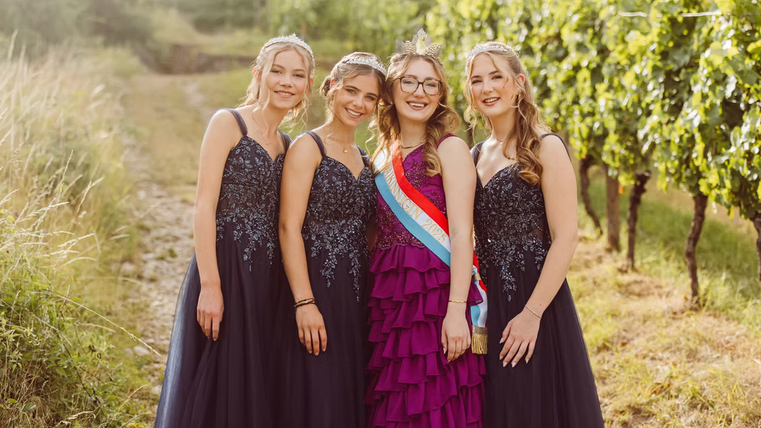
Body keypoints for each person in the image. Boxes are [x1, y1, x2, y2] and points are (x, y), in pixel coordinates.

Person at [154, 34, 315, 428]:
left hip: (268, 276)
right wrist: (211, 285)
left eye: (297, 75)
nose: (285, 82)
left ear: (308, 85)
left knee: (253, 375)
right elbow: (204, 206)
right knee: (218, 372)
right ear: (258, 74)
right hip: (225, 268)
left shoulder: (289, 144)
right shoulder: (229, 122)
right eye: (277, 71)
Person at [464, 41, 604, 427]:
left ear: (519, 83)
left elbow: (567, 236)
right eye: (477, 80)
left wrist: (532, 314)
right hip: (488, 299)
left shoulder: (546, 146)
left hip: (536, 296)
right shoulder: (474, 154)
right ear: (470, 93)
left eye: (497, 77)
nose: (487, 87)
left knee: (535, 403)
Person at [366, 29, 484, 428]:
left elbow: (463, 234)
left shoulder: (449, 148)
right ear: (391, 91)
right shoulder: (383, 154)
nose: (419, 92)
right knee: (396, 402)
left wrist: (455, 312)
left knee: (433, 401)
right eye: (409, 82)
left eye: (430, 84)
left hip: (436, 296)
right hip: (390, 299)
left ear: (440, 94)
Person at [276, 52, 385, 428]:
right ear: (330, 88)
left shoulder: (367, 158)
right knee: (316, 389)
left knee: (348, 386)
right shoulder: (308, 147)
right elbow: (289, 227)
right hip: (315, 286)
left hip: (357, 292)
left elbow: (371, 229)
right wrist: (304, 302)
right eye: (351, 91)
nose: (359, 103)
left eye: (369, 97)